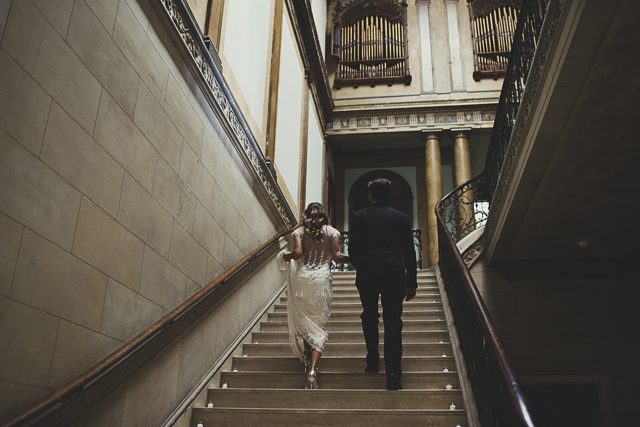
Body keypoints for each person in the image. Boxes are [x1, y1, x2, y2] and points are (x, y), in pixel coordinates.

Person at [348, 178, 417, 390]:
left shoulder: (359, 216)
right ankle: (394, 376)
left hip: (368, 274)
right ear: (388, 195)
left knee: (369, 316)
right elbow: (409, 250)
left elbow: (353, 250)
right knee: (393, 321)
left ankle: (372, 361)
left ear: (370, 196)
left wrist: (362, 264)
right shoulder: (401, 218)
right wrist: (411, 281)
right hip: (394, 274)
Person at [278, 202, 349, 389]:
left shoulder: (300, 231)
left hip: (302, 278)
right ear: (324, 214)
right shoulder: (332, 232)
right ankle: (313, 369)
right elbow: (337, 257)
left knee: (305, 320)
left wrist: (286, 256)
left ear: (306, 214)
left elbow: (298, 253)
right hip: (320, 280)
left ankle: (308, 359)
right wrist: (358, 257)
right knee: (317, 323)